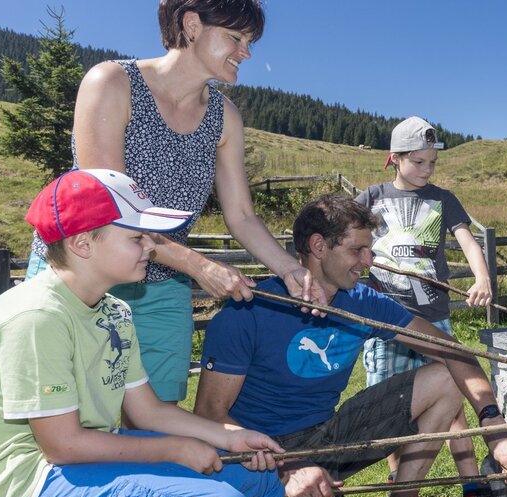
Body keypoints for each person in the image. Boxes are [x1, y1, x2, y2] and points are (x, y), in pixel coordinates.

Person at [0, 169, 287, 497]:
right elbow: (62, 445)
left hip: (76, 457)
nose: (151, 246)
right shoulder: (36, 317)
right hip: (24, 485)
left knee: (260, 479)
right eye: (137, 237)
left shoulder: (114, 310)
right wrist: (175, 449)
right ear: (83, 244)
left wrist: (230, 438)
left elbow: (146, 410)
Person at [194, 193, 507, 497]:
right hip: (263, 457)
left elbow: (452, 351)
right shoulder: (250, 308)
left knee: (446, 376)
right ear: (318, 246)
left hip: (329, 435)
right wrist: (286, 471)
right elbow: (209, 416)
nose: (368, 262)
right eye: (358, 250)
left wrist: (494, 425)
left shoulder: (361, 300)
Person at [23, 0, 318, 404]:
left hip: (160, 285)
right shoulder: (111, 82)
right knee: (66, 412)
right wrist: (199, 265)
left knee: (157, 419)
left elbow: (243, 216)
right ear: (192, 25)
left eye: (249, 42)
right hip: (82, 273)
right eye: (235, 37)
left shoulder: (225, 116)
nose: (245, 53)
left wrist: (290, 271)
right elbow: (111, 206)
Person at [354, 116, 507, 497]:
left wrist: (481, 277)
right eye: (419, 162)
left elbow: (467, 240)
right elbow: (350, 243)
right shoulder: (371, 198)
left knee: (454, 406)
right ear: (395, 158)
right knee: (394, 411)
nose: (427, 170)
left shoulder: (443, 200)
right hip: (385, 320)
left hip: (434, 316)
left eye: (432, 162)